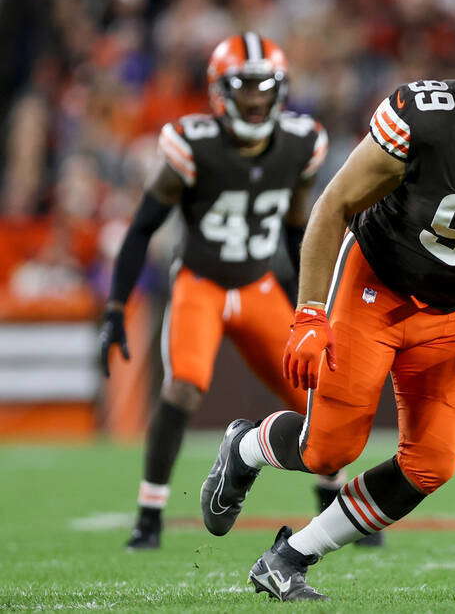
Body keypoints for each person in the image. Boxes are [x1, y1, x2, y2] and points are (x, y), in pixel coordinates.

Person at [200, 0, 455, 601]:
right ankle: (246, 445)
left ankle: (290, 558)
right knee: (327, 451)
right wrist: (311, 312)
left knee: (432, 464)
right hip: (377, 287)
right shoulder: (425, 117)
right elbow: (334, 206)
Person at [99, 33, 338, 550]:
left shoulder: (301, 143)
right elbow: (141, 227)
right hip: (201, 283)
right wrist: (116, 306)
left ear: (281, 91)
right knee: (183, 386)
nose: (254, 100)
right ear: (219, 92)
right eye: (244, 88)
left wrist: (311, 305)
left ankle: (332, 504)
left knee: (323, 391)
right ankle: (150, 512)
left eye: (263, 88)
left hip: (258, 285)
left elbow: (299, 231)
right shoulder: (194, 144)